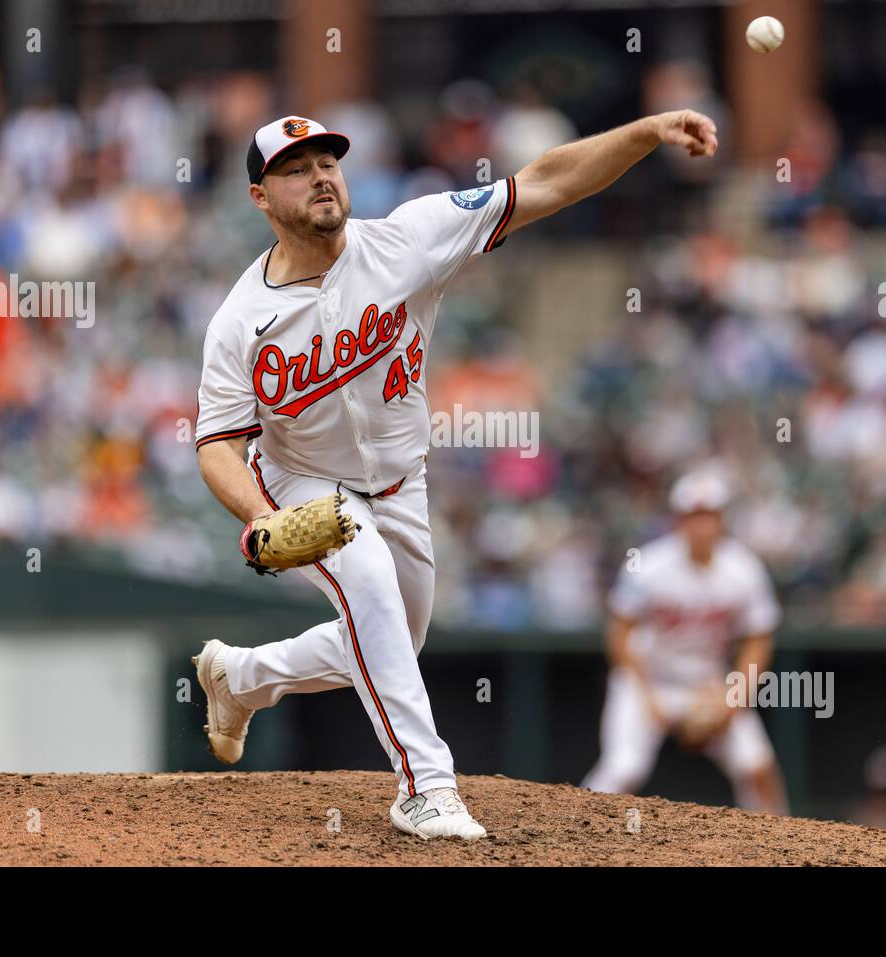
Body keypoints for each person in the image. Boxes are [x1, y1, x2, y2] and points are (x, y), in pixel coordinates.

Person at [192, 111, 719, 841]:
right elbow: (217, 442)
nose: (318, 175)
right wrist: (260, 514)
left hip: (402, 482)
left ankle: (240, 676)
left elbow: (545, 182)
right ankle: (424, 785)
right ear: (260, 198)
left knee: (391, 639)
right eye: (294, 167)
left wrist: (645, 132)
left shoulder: (409, 237)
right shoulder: (239, 320)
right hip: (302, 480)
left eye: (327, 161)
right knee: (367, 583)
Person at [582, 468, 789, 815]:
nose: (702, 525)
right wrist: (647, 698)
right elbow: (619, 633)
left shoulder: (744, 568)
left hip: (708, 684)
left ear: (722, 519)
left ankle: (786, 849)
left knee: (757, 766)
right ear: (678, 520)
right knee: (623, 768)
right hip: (648, 678)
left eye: (709, 515)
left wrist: (734, 698)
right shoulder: (648, 565)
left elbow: (758, 639)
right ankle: (574, 835)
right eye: (694, 515)